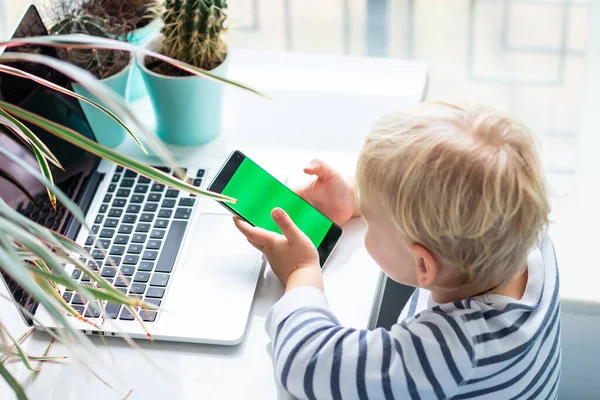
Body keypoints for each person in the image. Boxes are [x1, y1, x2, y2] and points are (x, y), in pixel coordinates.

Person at [234, 101, 560, 399]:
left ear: (423, 265)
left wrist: (300, 272)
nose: (366, 217)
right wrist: (358, 200)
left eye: (373, 219)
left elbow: (306, 364)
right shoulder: (524, 234)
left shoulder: (453, 350)